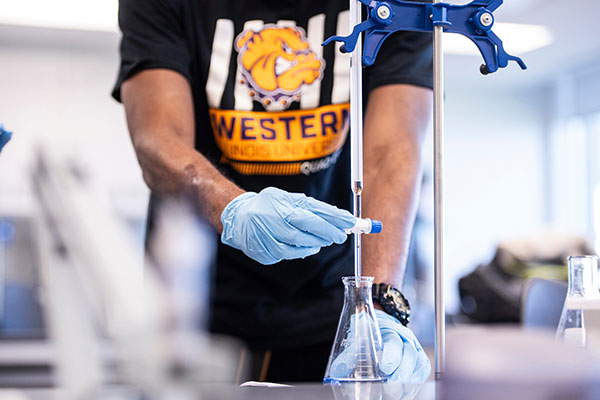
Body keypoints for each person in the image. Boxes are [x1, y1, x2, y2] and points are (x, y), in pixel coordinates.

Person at [113, 0, 433, 383]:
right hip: (197, 306)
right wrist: (232, 207)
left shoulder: (390, 4)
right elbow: (157, 136)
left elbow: (390, 153)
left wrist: (379, 305)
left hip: (335, 313)